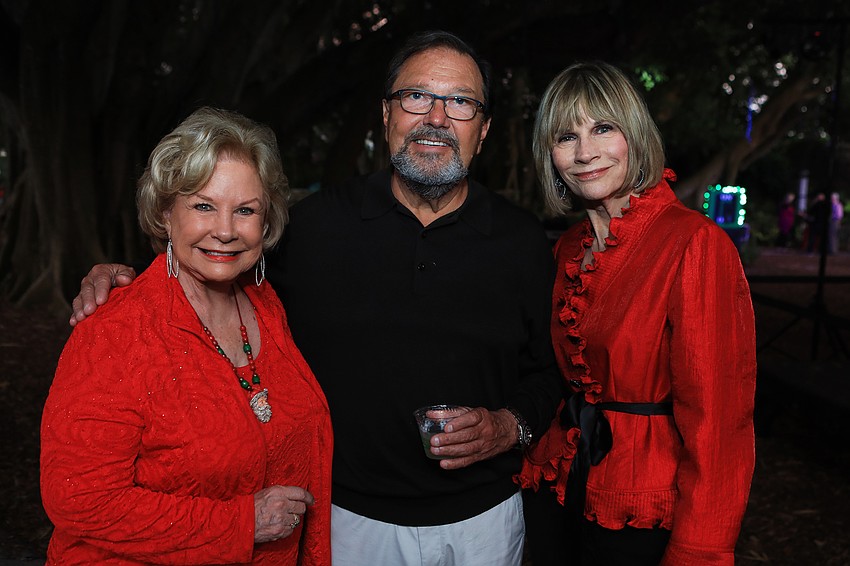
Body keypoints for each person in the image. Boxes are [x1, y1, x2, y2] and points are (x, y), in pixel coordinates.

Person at [69, 32, 562, 566]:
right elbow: (216, 259)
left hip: (484, 521)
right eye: (416, 97)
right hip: (348, 521)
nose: (436, 117)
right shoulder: (312, 229)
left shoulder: (524, 242)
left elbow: (550, 372)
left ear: (484, 129)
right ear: (386, 114)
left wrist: (509, 426)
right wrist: (124, 278)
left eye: (460, 102)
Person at [42, 107, 332, 564]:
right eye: (202, 205)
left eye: (245, 210)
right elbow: (80, 499)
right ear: (164, 214)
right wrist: (242, 524)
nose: (224, 230)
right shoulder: (114, 332)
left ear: (266, 221)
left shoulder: (265, 303)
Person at [515, 62, 757, 565]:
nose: (585, 153)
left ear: (635, 135)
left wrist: (701, 549)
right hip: (560, 486)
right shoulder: (566, 250)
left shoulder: (693, 242)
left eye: (603, 127)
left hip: (644, 504)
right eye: (566, 136)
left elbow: (720, 421)